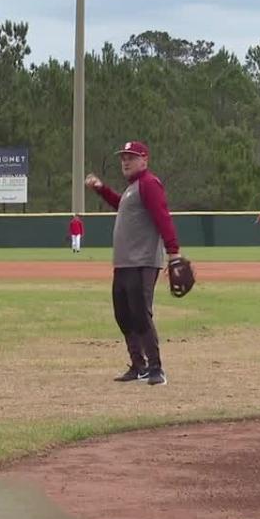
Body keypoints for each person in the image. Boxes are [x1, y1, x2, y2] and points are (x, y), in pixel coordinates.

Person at [85, 141, 183, 386]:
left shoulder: (149, 183)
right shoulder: (133, 189)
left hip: (142, 261)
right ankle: (138, 366)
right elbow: (121, 205)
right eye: (123, 158)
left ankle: (156, 369)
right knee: (124, 315)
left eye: (131, 157)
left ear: (144, 160)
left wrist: (173, 252)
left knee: (141, 314)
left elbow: (162, 216)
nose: (125, 161)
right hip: (124, 263)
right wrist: (101, 189)